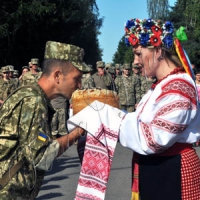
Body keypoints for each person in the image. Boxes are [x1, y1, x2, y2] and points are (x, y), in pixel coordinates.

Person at [119, 18, 200, 200]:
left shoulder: (179, 87)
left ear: (158, 50)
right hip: (161, 169)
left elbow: (154, 138)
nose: (135, 61)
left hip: (173, 172)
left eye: (139, 54)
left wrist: (114, 121)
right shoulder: (162, 85)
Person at [0, 41, 91, 199]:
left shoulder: (32, 95)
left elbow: (34, 144)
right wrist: (77, 134)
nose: (79, 85)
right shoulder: (33, 101)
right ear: (57, 76)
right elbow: (41, 157)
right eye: (76, 78)